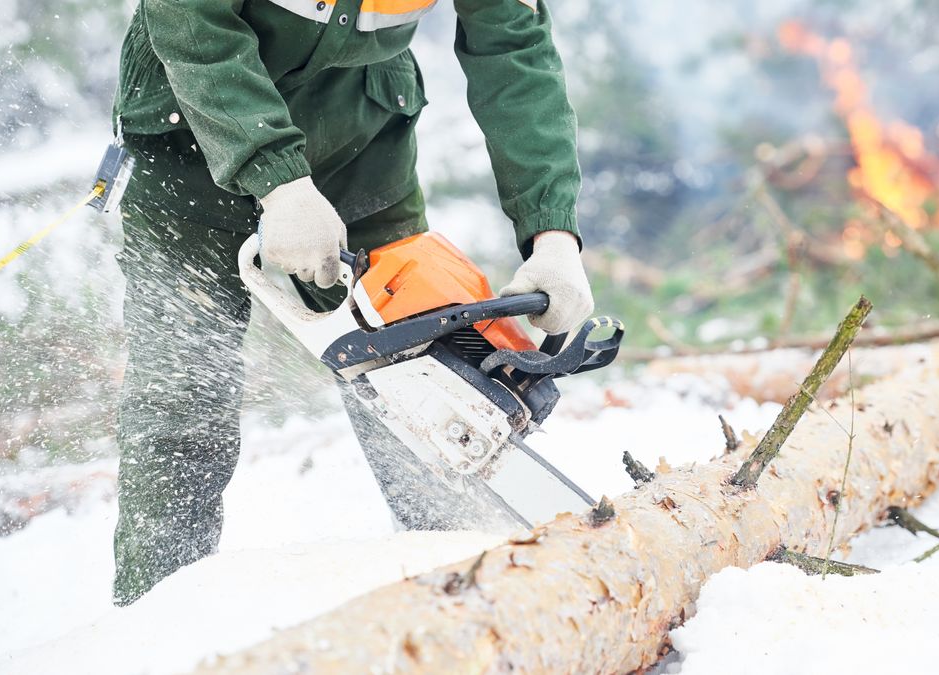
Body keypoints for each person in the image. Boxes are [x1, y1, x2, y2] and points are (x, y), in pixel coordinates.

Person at [109, 0, 593, 606]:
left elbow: (514, 49)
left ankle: (463, 583)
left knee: (422, 369)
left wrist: (553, 234)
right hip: (191, 135)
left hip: (359, 143)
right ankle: (151, 619)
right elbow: (192, 19)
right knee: (181, 400)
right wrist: (278, 178)